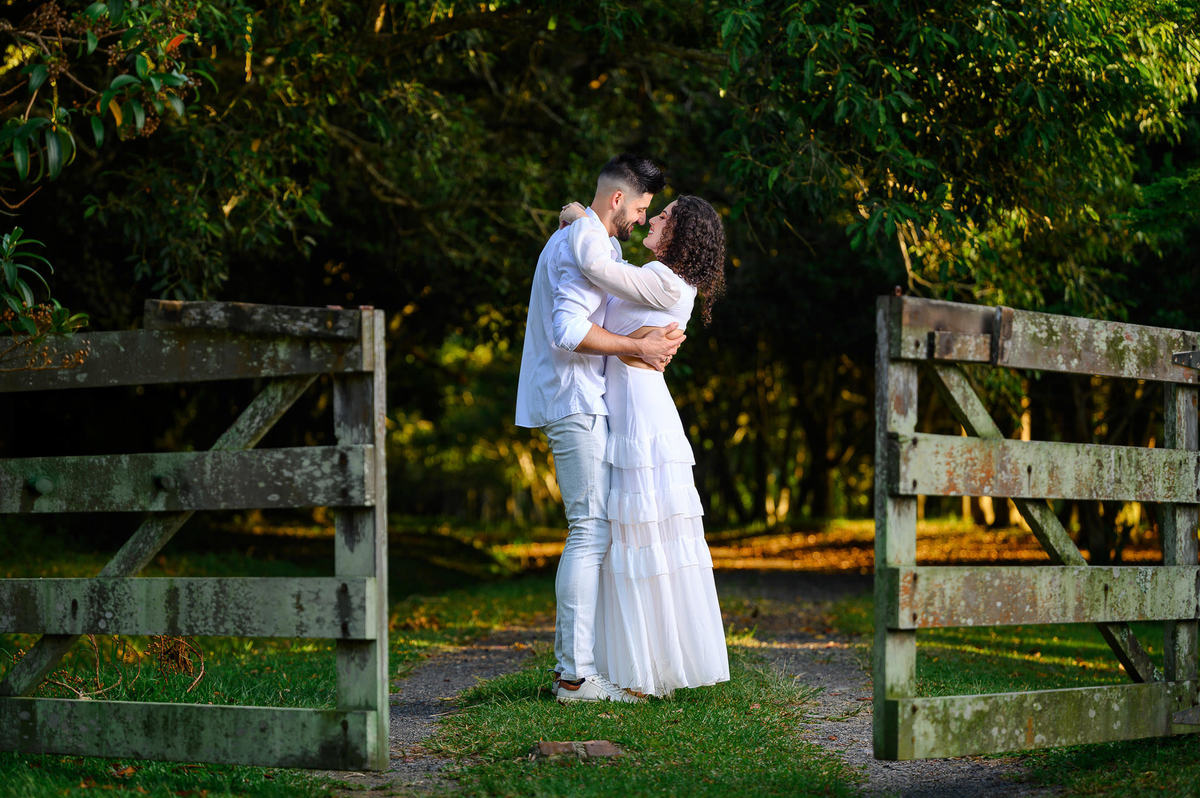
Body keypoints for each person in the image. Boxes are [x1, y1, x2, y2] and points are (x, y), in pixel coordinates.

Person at [515, 154, 684, 704]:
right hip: (575, 401)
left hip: (583, 401)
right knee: (588, 530)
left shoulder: (593, 241)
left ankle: (580, 668)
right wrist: (640, 346)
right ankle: (574, 676)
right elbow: (567, 329)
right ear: (618, 200)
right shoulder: (583, 241)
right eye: (640, 208)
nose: (640, 219)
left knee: (593, 531)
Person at [562, 195, 730, 698]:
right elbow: (607, 275)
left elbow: (595, 264)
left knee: (644, 540)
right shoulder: (659, 277)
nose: (652, 219)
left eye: (664, 215)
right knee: (631, 540)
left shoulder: (666, 281)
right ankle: (635, 668)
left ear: (680, 233)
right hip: (629, 403)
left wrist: (579, 218)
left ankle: (648, 673)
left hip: (640, 413)